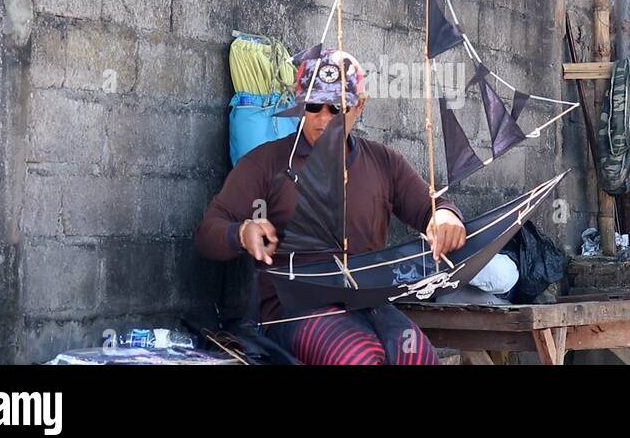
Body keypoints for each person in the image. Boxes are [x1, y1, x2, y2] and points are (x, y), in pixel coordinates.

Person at [195, 48, 467, 364]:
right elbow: (207, 233)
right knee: (360, 357)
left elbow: (431, 206)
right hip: (295, 310)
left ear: (359, 106)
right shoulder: (265, 163)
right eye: (313, 106)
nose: (324, 120)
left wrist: (445, 217)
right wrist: (242, 233)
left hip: (370, 303)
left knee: (416, 355)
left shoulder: (384, 161)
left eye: (336, 108)